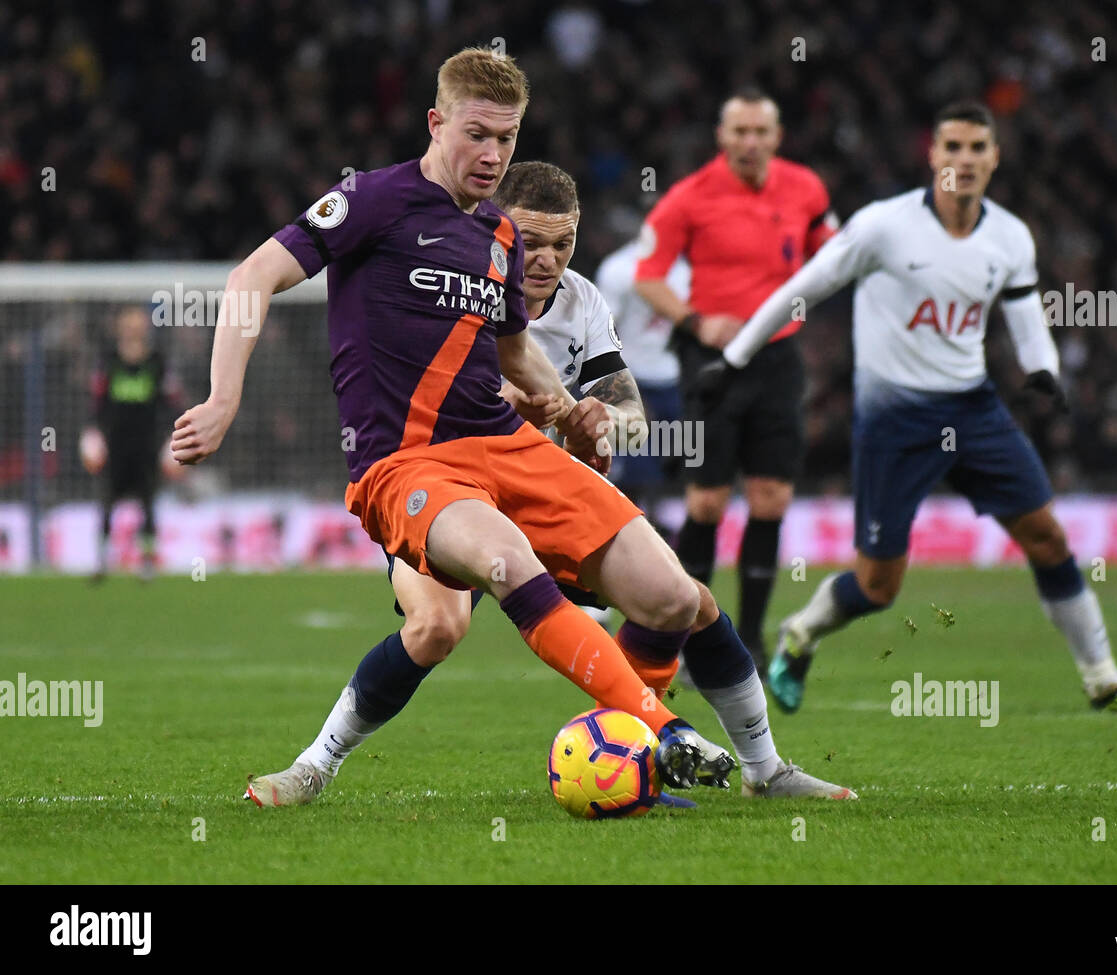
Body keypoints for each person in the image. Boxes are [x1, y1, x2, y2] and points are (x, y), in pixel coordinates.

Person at [171, 48, 737, 802]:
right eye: (477, 134)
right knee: (488, 580)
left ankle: (701, 764)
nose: (493, 154)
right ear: (436, 123)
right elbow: (253, 275)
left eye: (506, 139)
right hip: (408, 462)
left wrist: (571, 412)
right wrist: (221, 398)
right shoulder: (372, 199)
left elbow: (514, 352)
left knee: (672, 593)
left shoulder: (501, 235)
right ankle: (660, 732)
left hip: (505, 443)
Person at [241, 160, 854, 805]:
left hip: (537, 487)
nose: (546, 260)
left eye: (563, 244)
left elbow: (631, 414)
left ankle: (750, 769)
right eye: (532, 242)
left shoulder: (583, 302)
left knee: (685, 600)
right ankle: (315, 765)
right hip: (444, 479)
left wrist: (605, 420)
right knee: (436, 628)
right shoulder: (456, 280)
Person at [704, 101, 1117, 715]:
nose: (964, 160)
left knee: (1048, 537)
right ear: (932, 155)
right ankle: (800, 633)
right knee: (879, 586)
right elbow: (803, 289)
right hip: (893, 421)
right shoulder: (884, 226)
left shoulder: (1009, 236)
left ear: (994, 158)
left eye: (976, 148)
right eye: (952, 147)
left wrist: (1045, 369)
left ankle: (1104, 681)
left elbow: (1024, 311)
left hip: (974, 410)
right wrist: (737, 357)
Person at [634, 88, 838, 672]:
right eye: (739, 132)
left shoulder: (806, 189)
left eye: (760, 132)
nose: (750, 142)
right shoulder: (688, 197)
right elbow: (649, 276)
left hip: (776, 357)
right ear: (721, 138)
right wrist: (697, 321)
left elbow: (832, 252)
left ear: (777, 137)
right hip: (713, 364)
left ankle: (747, 640)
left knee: (771, 497)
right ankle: (691, 639)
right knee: (706, 501)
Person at [594, 231, 689, 529]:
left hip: (671, 377)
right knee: (632, 461)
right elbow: (603, 331)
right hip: (631, 374)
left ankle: (654, 518)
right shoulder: (618, 269)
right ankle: (627, 521)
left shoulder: (686, 270)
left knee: (677, 453)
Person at [82, 305, 183, 581]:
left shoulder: (157, 362)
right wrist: (93, 432)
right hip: (115, 443)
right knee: (106, 501)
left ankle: (147, 562)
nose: (133, 329)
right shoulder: (109, 361)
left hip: (147, 443)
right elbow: (97, 401)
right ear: (119, 328)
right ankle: (101, 561)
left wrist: (171, 438)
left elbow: (171, 402)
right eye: (128, 324)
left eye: (138, 324)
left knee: (148, 502)